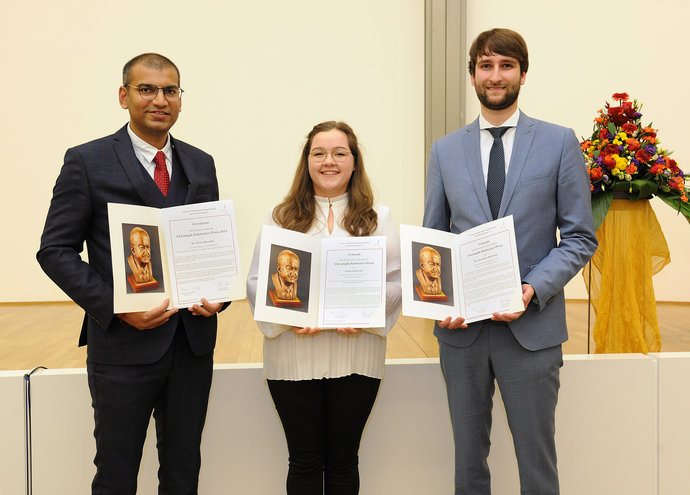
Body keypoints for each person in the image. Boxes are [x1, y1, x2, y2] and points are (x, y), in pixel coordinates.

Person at [37, 53, 226, 495]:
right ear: (124, 96)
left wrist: (219, 294)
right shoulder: (86, 161)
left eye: (170, 91)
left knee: (183, 476)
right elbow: (54, 250)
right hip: (121, 350)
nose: (159, 99)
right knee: (117, 477)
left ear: (180, 99)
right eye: (147, 89)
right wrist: (118, 307)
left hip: (192, 346)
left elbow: (209, 244)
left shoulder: (202, 164)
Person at [422, 29, 597, 494]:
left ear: (522, 73)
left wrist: (533, 288)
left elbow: (579, 237)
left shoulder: (559, 143)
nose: (495, 76)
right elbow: (435, 241)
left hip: (532, 331)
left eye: (505, 65)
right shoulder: (444, 150)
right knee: (467, 465)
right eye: (485, 65)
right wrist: (440, 300)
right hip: (463, 335)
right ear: (473, 74)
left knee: (537, 465)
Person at [247, 121, 401, 494]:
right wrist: (289, 319)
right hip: (293, 354)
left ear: (353, 162)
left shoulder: (379, 218)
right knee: (302, 461)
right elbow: (255, 283)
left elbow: (396, 284)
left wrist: (362, 315)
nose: (328, 161)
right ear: (307, 161)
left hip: (356, 354)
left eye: (339, 153)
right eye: (319, 153)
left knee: (344, 460)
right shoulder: (279, 215)